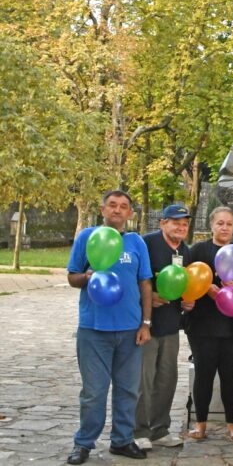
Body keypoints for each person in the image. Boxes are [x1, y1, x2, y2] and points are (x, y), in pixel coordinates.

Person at [66, 190, 152, 465]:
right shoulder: (87, 237)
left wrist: (146, 323)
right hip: (93, 329)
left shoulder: (136, 242)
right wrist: (86, 276)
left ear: (129, 214)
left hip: (130, 330)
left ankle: (122, 440)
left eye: (123, 206)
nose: (117, 210)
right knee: (94, 392)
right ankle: (83, 444)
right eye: (112, 205)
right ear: (103, 209)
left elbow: (145, 284)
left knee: (128, 390)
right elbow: (72, 277)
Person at [183, 206, 233, 442]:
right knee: (204, 376)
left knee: (230, 377)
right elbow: (186, 276)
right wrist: (205, 286)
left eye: (229, 223)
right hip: (203, 327)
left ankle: (232, 425)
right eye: (220, 223)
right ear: (211, 226)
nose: (224, 227)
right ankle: (201, 425)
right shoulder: (198, 250)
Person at [134, 205, 191, 450]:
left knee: (167, 379)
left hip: (170, 325)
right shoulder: (145, 244)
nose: (180, 227)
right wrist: (147, 297)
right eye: (176, 222)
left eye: (185, 223)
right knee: (143, 380)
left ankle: (160, 429)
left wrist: (188, 300)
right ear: (163, 223)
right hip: (144, 324)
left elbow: (182, 284)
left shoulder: (185, 251)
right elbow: (133, 278)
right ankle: (138, 431)